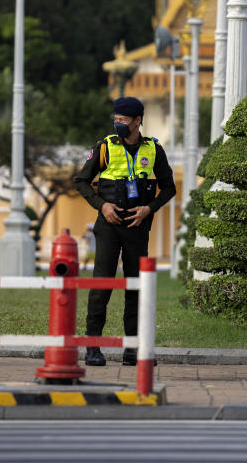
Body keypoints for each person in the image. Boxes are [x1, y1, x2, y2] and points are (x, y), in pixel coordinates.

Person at [74, 97, 176, 366]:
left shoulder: (154, 149)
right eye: (115, 119)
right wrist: (101, 205)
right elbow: (81, 181)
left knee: (136, 288)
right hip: (108, 227)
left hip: (137, 228)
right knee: (101, 286)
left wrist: (149, 209)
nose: (117, 123)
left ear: (137, 120)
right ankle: (93, 348)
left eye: (123, 120)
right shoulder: (105, 146)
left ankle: (133, 350)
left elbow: (169, 188)